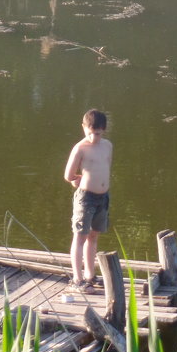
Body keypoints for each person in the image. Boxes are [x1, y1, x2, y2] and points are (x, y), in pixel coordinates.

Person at [63, 109, 113, 291]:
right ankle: (77, 279)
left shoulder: (107, 145)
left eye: (97, 133)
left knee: (94, 236)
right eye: (90, 133)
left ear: (104, 130)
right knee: (80, 236)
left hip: (103, 197)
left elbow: (106, 166)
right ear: (84, 128)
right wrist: (77, 180)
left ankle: (90, 274)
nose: (93, 137)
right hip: (86, 198)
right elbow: (68, 175)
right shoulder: (80, 148)